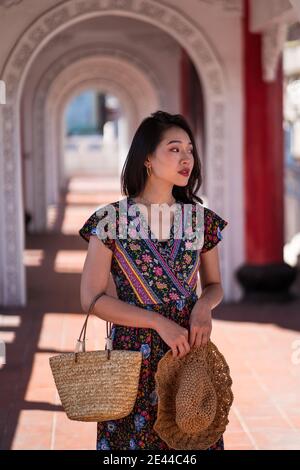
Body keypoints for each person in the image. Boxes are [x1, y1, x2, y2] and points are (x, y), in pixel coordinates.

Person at [79, 110, 228, 450]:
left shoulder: (199, 221)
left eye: (189, 149)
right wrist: (158, 322)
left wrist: (204, 306)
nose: (186, 157)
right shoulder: (110, 221)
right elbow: (91, 299)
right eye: (174, 149)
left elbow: (215, 285)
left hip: (188, 353)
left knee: (191, 441)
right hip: (132, 358)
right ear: (147, 158)